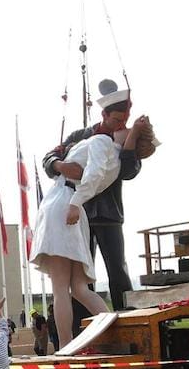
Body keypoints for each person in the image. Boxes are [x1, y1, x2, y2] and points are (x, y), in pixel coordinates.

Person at [33, 79, 152, 347]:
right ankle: (77, 336)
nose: (121, 124)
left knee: (115, 273)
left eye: (125, 120)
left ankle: (119, 325)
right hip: (77, 212)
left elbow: (129, 170)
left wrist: (131, 141)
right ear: (105, 115)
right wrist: (61, 165)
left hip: (103, 213)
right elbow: (50, 157)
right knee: (77, 284)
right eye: (117, 119)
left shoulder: (121, 141)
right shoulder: (84, 136)